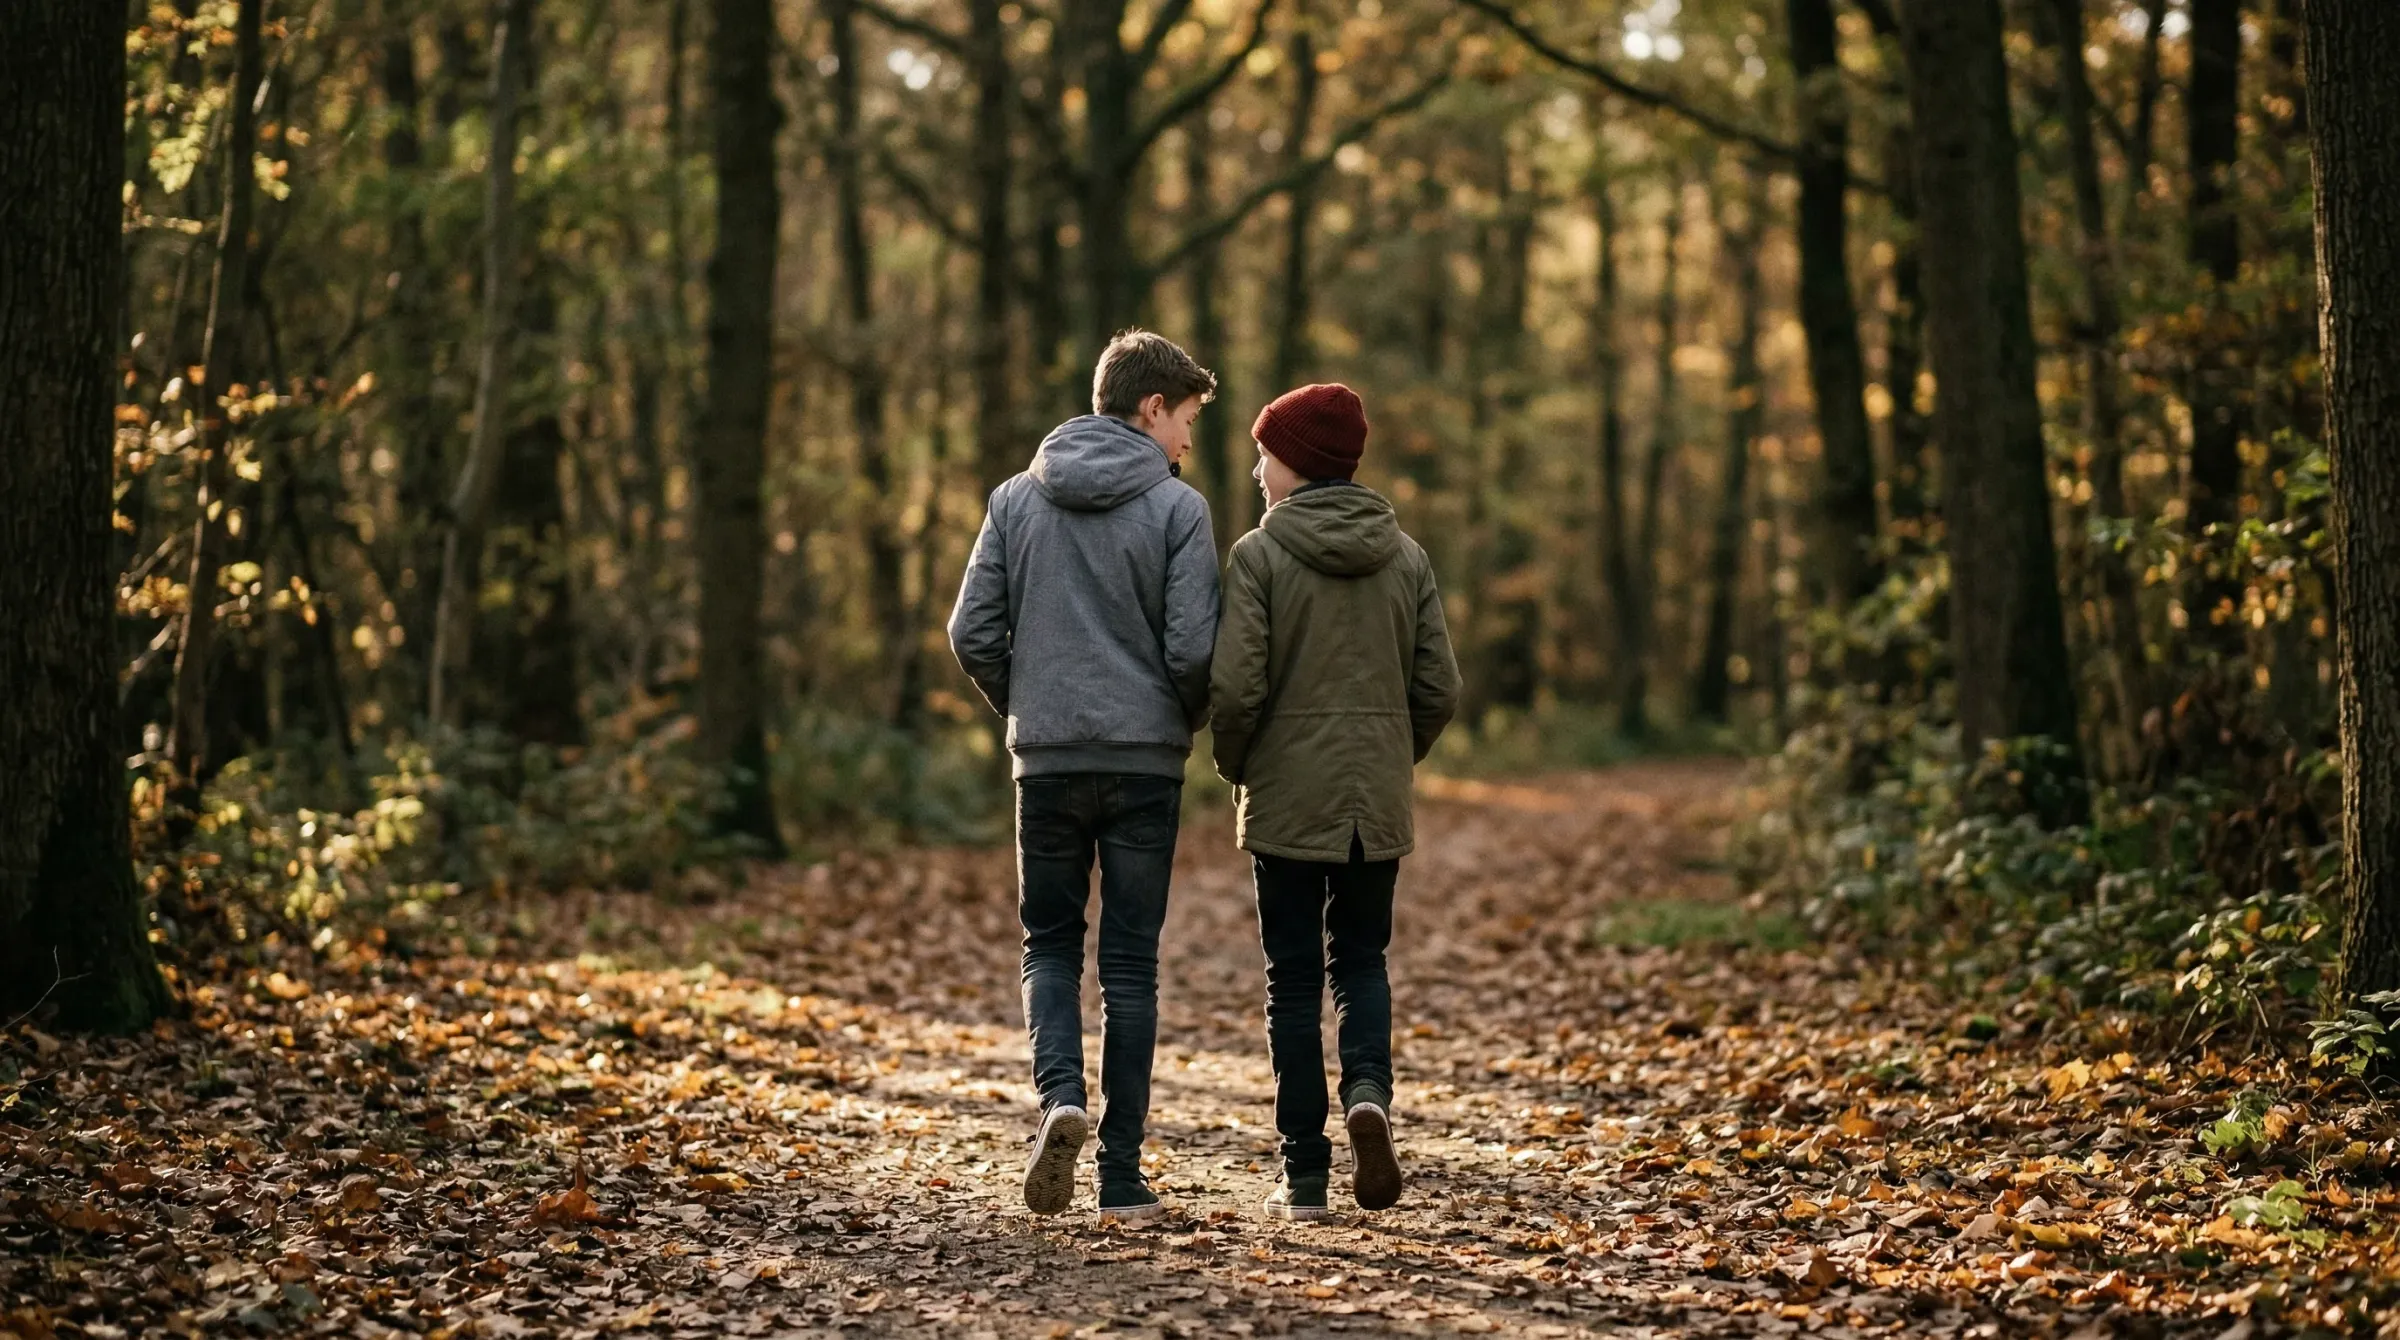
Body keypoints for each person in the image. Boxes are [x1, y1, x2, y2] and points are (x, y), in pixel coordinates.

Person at [946, 329, 1221, 1222]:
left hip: (1049, 759)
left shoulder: (1015, 501)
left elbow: (971, 634)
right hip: (1143, 763)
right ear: (1152, 408)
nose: (1186, 442)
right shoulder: (1180, 512)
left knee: (1050, 946)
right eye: (1185, 420)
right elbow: (1191, 650)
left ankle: (1061, 1096)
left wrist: (1029, 710)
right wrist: (1175, 720)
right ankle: (1121, 1177)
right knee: (1132, 964)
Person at [1209, 382, 1461, 1220]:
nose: (1255, 467)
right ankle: (1368, 1095)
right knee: (1360, 961)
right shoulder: (1408, 557)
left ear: (1298, 464)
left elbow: (1237, 690)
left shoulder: (1258, 556)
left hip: (1285, 799)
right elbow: (1440, 688)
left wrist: (1239, 766)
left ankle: (1305, 1173)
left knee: (1290, 982)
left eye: (1266, 453)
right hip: (1373, 803)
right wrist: (1394, 755)